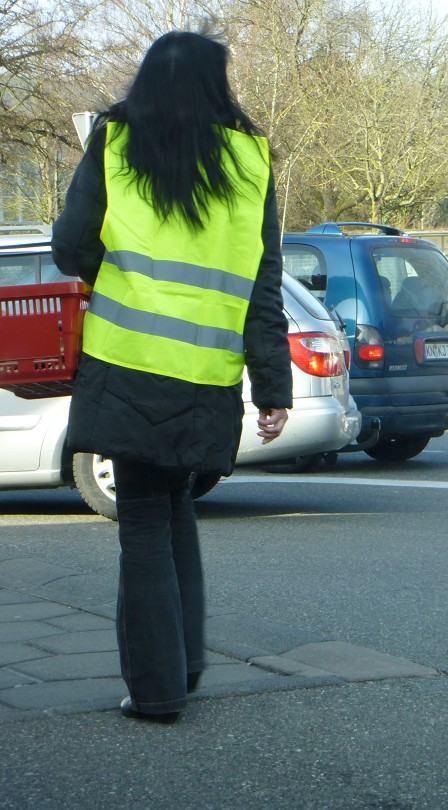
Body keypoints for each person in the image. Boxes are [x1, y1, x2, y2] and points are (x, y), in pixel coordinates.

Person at [50, 29, 293, 724]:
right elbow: (263, 283)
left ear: (148, 80)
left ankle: (155, 689)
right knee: (176, 505)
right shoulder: (251, 159)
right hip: (207, 375)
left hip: (128, 365)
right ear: (220, 85)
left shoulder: (116, 141)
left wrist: (109, 274)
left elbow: (70, 244)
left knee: (144, 524)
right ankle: (183, 664)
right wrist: (272, 386)